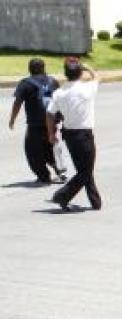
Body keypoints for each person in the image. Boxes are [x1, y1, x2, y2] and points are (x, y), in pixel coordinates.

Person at [46, 58, 102, 211]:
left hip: (69, 135)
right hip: (84, 135)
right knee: (86, 170)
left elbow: (50, 114)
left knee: (84, 169)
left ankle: (95, 201)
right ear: (80, 73)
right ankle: (61, 195)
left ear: (65, 74)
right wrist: (87, 67)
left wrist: (51, 133)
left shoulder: (58, 93)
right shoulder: (87, 88)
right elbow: (97, 77)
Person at [8, 58, 64, 184]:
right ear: (44, 68)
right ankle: (60, 171)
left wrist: (12, 119)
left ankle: (43, 176)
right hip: (53, 121)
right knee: (51, 148)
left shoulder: (26, 83)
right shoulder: (53, 81)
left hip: (35, 123)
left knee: (32, 151)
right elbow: (61, 100)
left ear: (29, 69)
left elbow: (18, 102)